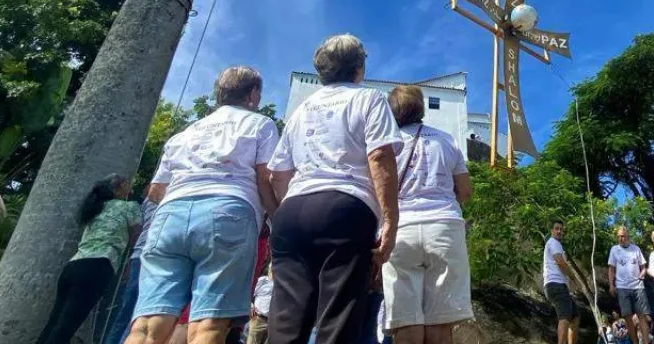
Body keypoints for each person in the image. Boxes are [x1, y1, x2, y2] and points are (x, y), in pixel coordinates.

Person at [127, 66, 281, 344]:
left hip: (171, 214)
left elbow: (155, 190)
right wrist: (275, 217)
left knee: (147, 326)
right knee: (208, 324)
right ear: (253, 93)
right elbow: (264, 179)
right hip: (228, 212)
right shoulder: (260, 124)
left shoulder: (185, 134)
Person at [266, 34, 402, 344]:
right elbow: (379, 156)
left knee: (286, 321)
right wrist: (390, 220)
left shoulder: (301, 111)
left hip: (292, 211)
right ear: (359, 68)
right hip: (345, 209)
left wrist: (280, 219)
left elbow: (277, 175)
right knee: (338, 320)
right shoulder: (368, 99)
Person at [382, 84, 473, 344]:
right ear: (421, 108)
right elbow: (464, 190)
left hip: (401, 230)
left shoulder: (387, 145)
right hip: (444, 226)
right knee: (440, 319)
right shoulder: (447, 140)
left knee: (405, 320)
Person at [36, 174, 142, 344]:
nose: (130, 188)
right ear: (118, 187)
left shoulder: (96, 208)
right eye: (127, 184)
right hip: (98, 266)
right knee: (65, 328)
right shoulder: (129, 207)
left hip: (73, 265)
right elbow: (135, 236)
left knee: (55, 323)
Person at [104, 181, 163, 344]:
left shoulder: (146, 203)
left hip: (140, 255)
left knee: (129, 310)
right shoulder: (170, 196)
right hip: (156, 253)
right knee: (142, 312)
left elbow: (139, 230)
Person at [608, 227, 651, 344]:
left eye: (622, 236)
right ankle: (635, 342)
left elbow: (643, 267)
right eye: (619, 236)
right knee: (627, 317)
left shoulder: (636, 249)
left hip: (638, 287)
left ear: (628, 236)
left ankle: (646, 342)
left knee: (642, 316)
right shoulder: (614, 250)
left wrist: (642, 274)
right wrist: (611, 285)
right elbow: (611, 269)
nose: (620, 238)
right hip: (622, 287)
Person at [543, 220, 580, 344]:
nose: (559, 231)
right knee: (564, 317)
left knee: (575, 316)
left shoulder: (556, 244)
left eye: (561, 229)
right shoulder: (553, 243)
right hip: (555, 285)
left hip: (558, 286)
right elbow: (560, 262)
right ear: (552, 231)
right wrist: (573, 278)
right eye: (556, 228)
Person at [246, 262, 272, 344]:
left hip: (272, 322)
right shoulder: (262, 280)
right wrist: (251, 306)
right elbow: (249, 294)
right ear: (270, 269)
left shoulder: (281, 285)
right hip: (258, 319)